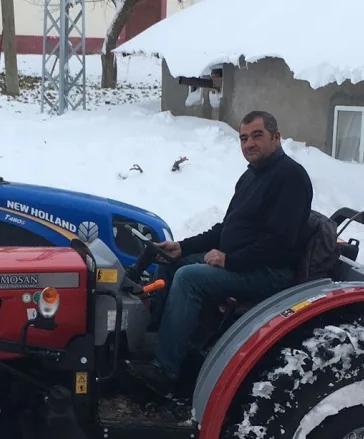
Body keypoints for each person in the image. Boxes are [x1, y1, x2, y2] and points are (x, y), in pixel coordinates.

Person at [126, 110, 314, 397]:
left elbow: (280, 243)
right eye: (243, 138)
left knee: (190, 278)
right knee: (172, 263)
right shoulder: (251, 176)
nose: (249, 143)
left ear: (276, 138)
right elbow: (226, 228)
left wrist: (230, 260)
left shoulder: (290, 178)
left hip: (270, 273)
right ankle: (155, 341)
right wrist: (183, 247)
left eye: (257, 136)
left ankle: (164, 371)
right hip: (244, 264)